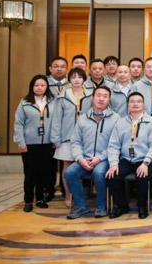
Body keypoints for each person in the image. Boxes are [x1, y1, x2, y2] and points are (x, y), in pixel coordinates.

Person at [65, 86, 120, 219]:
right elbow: (76, 141)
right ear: (92, 98)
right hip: (85, 158)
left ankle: (101, 206)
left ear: (109, 99)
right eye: (98, 95)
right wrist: (80, 158)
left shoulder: (116, 118)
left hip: (104, 158)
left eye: (105, 96)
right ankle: (81, 205)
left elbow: (116, 143)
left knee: (99, 173)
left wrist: (99, 158)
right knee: (70, 172)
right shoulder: (83, 118)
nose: (101, 99)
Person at [106, 92, 152, 219]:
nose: (135, 104)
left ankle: (142, 207)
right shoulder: (120, 123)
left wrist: (145, 163)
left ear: (143, 104)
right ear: (128, 105)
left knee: (142, 176)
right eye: (132, 101)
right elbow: (113, 145)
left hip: (144, 159)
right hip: (126, 159)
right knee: (112, 176)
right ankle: (122, 206)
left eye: (138, 101)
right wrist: (113, 164)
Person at [14, 75, 56, 212]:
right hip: (29, 144)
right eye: (36, 85)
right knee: (30, 174)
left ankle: (39, 198)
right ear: (32, 87)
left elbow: (56, 122)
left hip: (47, 143)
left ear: (47, 87)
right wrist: (21, 142)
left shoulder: (52, 101)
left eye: (42, 85)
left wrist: (55, 140)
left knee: (43, 173)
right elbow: (18, 124)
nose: (39, 88)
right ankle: (28, 200)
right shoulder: (24, 102)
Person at [51, 68, 91, 207]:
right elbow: (56, 119)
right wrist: (56, 138)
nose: (76, 80)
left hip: (86, 137)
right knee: (67, 168)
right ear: (69, 80)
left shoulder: (91, 95)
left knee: (85, 166)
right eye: (73, 77)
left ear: (84, 79)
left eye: (79, 77)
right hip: (67, 137)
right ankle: (68, 195)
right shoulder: (62, 96)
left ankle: (82, 195)